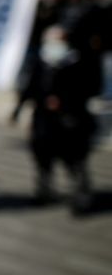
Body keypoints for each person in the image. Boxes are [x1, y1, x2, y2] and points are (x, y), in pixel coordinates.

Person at [12, 24, 97, 213]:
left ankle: (81, 197)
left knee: (75, 161)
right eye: (51, 41)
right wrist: (17, 110)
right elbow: (31, 87)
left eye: (59, 41)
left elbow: (89, 88)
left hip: (71, 120)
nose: (54, 45)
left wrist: (64, 101)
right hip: (44, 121)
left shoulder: (78, 62)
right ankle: (44, 191)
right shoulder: (40, 61)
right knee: (43, 159)